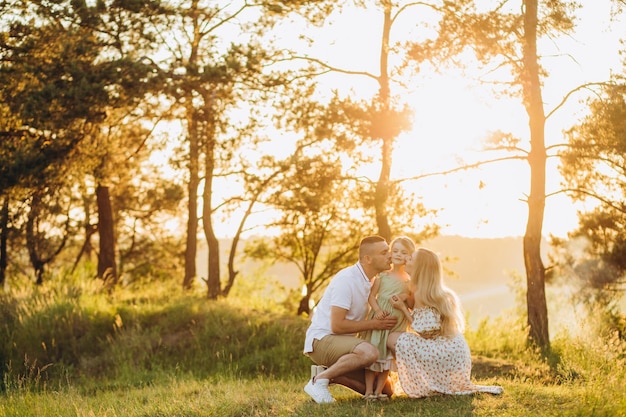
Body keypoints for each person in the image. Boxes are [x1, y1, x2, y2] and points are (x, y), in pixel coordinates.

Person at [387, 247, 504, 398]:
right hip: (452, 350)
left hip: (446, 351)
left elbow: (425, 332)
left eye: (411, 259)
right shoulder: (425, 289)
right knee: (401, 340)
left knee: (393, 339)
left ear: (419, 268)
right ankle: (431, 380)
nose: (406, 259)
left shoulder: (422, 292)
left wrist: (402, 308)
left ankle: (427, 382)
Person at [303, 235, 399, 404]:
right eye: (384, 252)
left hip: (346, 345)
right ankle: (319, 380)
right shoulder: (346, 280)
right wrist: (375, 324)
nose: (390, 256)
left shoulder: (374, 281)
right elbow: (337, 325)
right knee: (370, 353)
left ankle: (328, 374)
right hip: (322, 341)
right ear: (367, 259)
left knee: (386, 389)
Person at [358, 236, 415, 401]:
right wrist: (376, 310)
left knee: (387, 360)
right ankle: (369, 391)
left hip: (395, 326)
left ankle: (379, 392)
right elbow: (371, 296)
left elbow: (412, 302)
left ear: (409, 256)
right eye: (395, 250)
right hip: (379, 321)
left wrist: (405, 295)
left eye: (403, 252)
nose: (398, 254)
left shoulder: (409, 280)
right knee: (374, 356)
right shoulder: (383, 275)